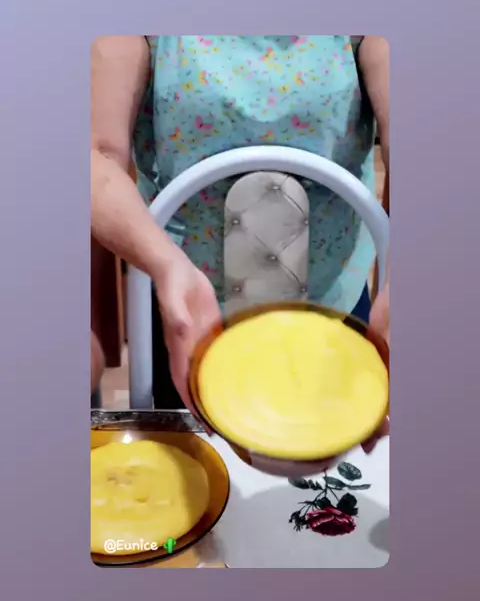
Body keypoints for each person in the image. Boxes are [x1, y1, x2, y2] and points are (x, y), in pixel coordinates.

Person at [91, 35, 389, 452]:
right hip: (192, 311)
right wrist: (164, 265)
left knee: (334, 468)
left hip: (331, 305)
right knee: (203, 466)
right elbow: (97, 155)